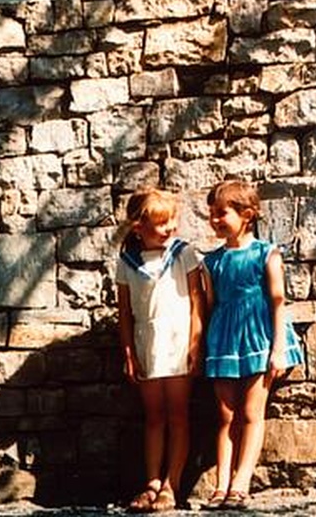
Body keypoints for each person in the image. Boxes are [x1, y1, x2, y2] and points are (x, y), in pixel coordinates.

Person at [201, 179, 303, 510]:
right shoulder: (212, 261)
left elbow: (277, 302)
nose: (215, 220)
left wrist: (278, 349)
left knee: (250, 411)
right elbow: (212, 304)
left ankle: (241, 483)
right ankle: (221, 484)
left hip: (259, 336)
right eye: (211, 214)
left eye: (222, 213)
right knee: (226, 415)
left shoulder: (266, 253)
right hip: (225, 339)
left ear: (247, 214)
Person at [116, 187, 206, 512]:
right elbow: (124, 312)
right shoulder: (127, 262)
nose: (170, 228)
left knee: (178, 415)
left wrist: (196, 342)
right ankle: (152, 482)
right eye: (162, 223)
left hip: (179, 342)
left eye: (172, 220)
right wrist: (128, 352)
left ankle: (172, 484)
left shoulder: (183, 253)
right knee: (154, 417)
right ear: (139, 228)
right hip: (147, 346)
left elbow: (198, 301)